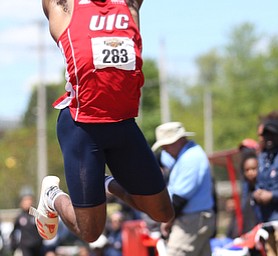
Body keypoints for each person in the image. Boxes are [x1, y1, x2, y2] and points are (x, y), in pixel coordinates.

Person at [29, 0, 174, 244]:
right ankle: (52, 196)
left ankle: (105, 183)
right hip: (82, 127)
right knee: (91, 231)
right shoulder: (66, 9)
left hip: (123, 124)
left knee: (163, 212)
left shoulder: (127, 7)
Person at [152, 122, 216, 256]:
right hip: (196, 218)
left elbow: (179, 199)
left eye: (166, 145)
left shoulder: (191, 158)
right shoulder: (186, 154)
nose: (164, 149)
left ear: (179, 141)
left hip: (192, 219)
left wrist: (167, 220)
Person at [253, 118, 278, 256]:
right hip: (266, 220)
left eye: (272, 134)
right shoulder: (262, 158)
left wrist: (272, 195)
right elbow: (259, 183)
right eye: (266, 135)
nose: (268, 139)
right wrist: (257, 193)